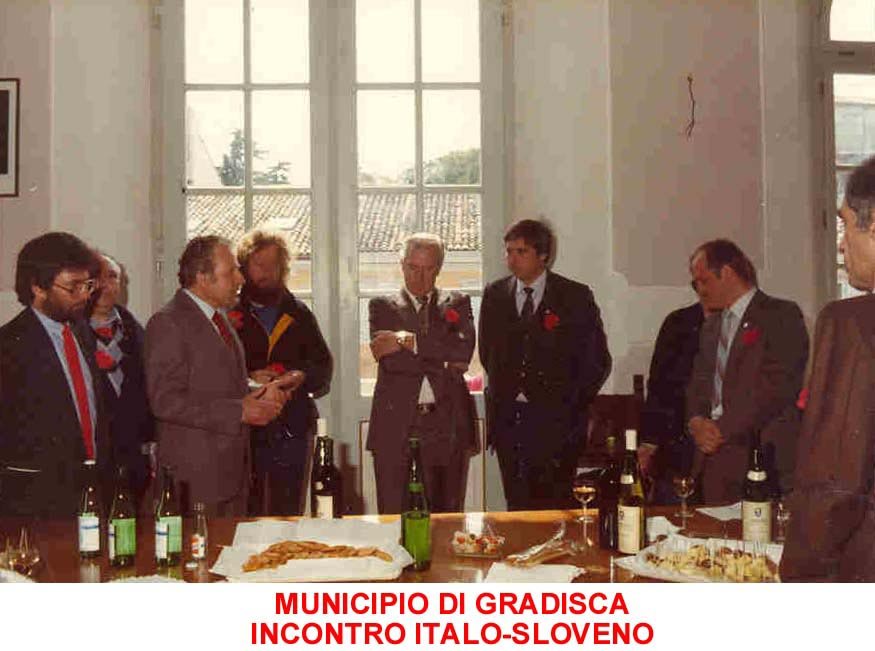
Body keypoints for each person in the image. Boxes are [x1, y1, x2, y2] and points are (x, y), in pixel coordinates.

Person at [144, 235, 295, 516]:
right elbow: (165, 401)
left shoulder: (217, 317)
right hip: (196, 479)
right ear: (202, 277)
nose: (241, 279)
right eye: (231, 272)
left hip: (231, 474)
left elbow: (215, 384)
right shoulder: (168, 322)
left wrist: (259, 391)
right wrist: (240, 410)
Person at [782, 157, 875, 581]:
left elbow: (834, 484)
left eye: (845, 223)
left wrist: (800, 576)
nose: (841, 244)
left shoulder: (852, 323)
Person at [479, 219, 611, 511]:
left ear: (543, 255)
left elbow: (597, 361)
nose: (512, 259)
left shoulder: (574, 296)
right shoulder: (494, 294)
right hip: (509, 421)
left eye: (521, 252)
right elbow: (488, 353)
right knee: (517, 507)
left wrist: (569, 404)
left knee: (554, 507)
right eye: (508, 251)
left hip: (557, 424)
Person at [686, 239, 808, 503]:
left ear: (727, 273)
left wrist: (719, 430)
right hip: (712, 459)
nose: (700, 291)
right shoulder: (711, 326)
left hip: (761, 456)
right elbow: (698, 384)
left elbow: (778, 387)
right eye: (696, 284)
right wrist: (696, 422)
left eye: (704, 281)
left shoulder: (781, 314)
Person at [367, 233, 478, 514]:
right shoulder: (381, 306)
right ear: (402, 264)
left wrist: (408, 341)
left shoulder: (458, 303)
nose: (420, 277)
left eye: (428, 269)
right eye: (413, 267)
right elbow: (392, 364)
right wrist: (442, 359)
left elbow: (462, 353)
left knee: (446, 518)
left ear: (439, 268)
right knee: (394, 516)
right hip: (395, 426)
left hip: (447, 424)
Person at [0, 232, 107, 516]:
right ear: (38, 287)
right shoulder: (9, 346)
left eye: (88, 284)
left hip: (92, 488)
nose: (85, 295)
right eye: (73, 287)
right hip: (38, 501)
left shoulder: (83, 333)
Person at [230, 230, 333, 516]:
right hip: (244, 427)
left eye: (274, 265)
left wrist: (300, 377)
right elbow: (213, 371)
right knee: (246, 511)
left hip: (292, 426)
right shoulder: (227, 313)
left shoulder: (299, 313)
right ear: (243, 267)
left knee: (288, 510)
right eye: (259, 264)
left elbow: (323, 368)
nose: (266, 272)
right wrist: (249, 377)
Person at [86, 252, 153, 508]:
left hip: (132, 456)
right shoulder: (71, 332)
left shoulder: (136, 331)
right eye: (97, 277)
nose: (106, 284)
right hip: (92, 457)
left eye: (113, 277)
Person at [637, 300, 706, 503]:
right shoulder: (679, 322)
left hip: (729, 445)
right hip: (678, 441)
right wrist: (648, 443)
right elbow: (659, 386)